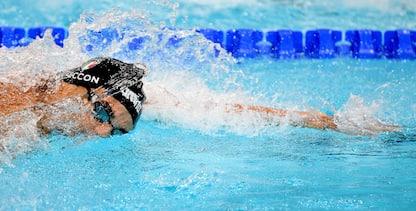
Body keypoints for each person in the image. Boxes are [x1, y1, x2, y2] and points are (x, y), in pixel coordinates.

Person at [0, 57, 400, 138]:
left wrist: (318, 119)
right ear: (82, 94)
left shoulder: (137, 103)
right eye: (103, 112)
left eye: (118, 131)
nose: (103, 133)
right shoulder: (23, 103)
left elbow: (217, 111)